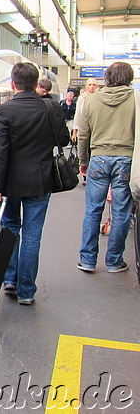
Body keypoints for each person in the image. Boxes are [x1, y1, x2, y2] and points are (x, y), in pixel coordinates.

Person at [0, 63, 69, 305]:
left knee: (11, 228)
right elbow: (63, 139)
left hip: (11, 183)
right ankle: (26, 291)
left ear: (13, 84)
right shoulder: (51, 107)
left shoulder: (3, 111)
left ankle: (10, 279)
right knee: (33, 235)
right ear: (36, 84)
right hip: (41, 180)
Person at [76, 62, 135, 274]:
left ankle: (88, 260)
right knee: (121, 213)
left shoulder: (91, 99)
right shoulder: (135, 99)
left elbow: (84, 133)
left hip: (98, 158)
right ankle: (114, 262)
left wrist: (83, 161)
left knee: (93, 210)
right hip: (126, 160)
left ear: (107, 77)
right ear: (129, 77)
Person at [71, 78, 99, 142]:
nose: (92, 87)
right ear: (86, 87)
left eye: (94, 85)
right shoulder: (82, 98)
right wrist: (74, 132)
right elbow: (77, 114)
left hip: (96, 130)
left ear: (97, 87)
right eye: (90, 85)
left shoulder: (100, 98)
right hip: (83, 128)